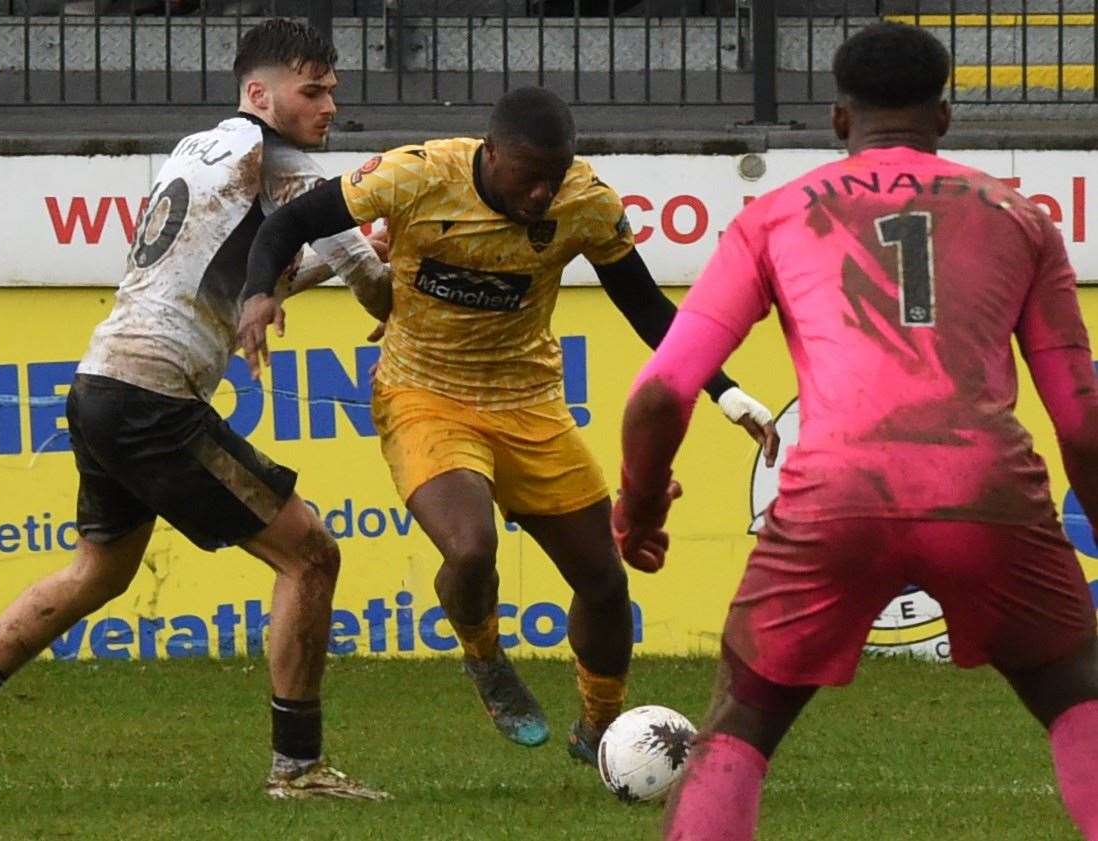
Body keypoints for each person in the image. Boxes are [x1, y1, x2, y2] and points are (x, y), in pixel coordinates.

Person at [614, 22, 1098, 840]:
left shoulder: (772, 218)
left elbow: (663, 391)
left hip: (834, 493)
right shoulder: (1020, 217)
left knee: (740, 718)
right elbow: (1081, 416)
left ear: (840, 121)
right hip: (985, 489)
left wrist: (642, 506)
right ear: (943, 119)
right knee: (1078, 693)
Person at [0, 19, 391, 801]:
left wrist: (336, 263)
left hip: (101, 383)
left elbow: (232, 288)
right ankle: (298, 768)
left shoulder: (200, 148)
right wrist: (408, 270)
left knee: (100, 571)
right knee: (311, 553)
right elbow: (371, 282)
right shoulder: (282, 161)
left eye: (332, 90)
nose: (330, 106)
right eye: (313, 90)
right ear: (260, 94)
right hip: (155, 397)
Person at [234, 86, 780, 765]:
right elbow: (290, 222)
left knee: (605, 585)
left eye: (555, 178)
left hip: (529, 402)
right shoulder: (417, 174)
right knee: (469, 547)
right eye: (529, 177)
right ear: (491, 153)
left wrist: (725, 393)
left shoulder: (586, 202)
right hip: (423, 392)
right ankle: (486, 656)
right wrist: (259, 291)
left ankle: (600, 728)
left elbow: (646, 309)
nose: (542, 195)